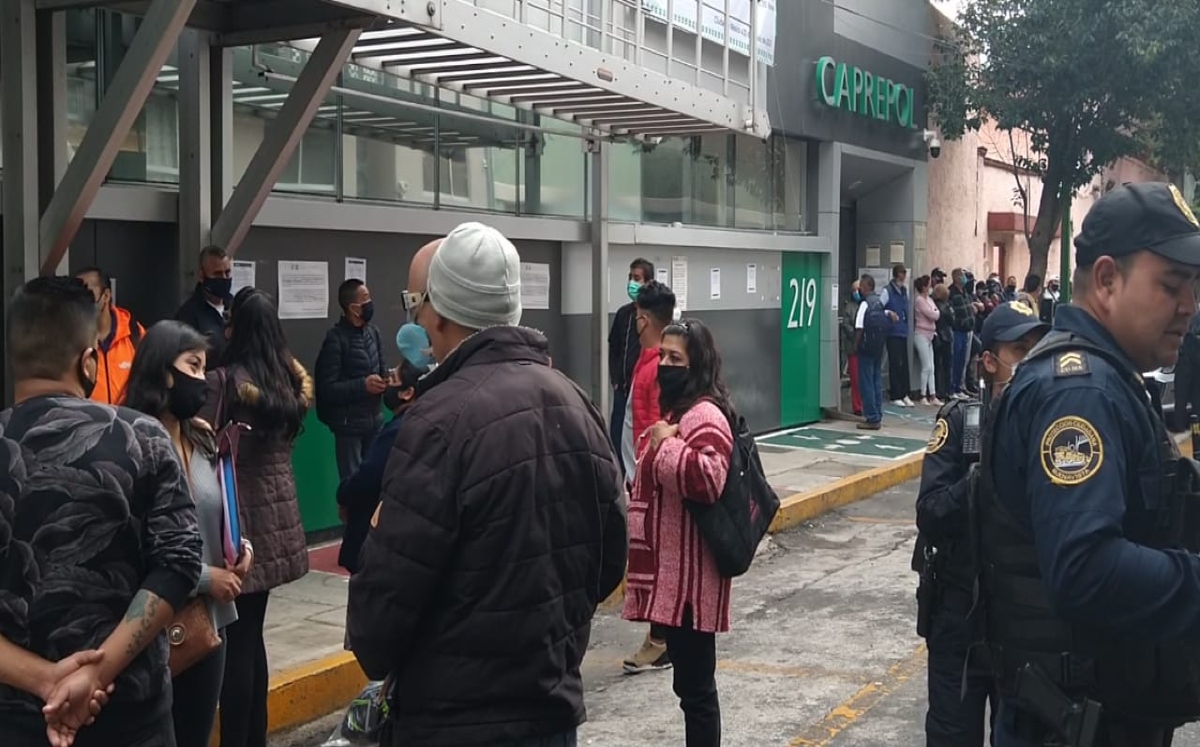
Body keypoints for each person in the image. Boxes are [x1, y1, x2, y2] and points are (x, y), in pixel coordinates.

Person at [347, 223, 628, 747]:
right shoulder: (574, 401)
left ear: (437, 312)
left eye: (418, 305)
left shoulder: (436, 421)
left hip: (453, 721)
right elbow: (611, 553)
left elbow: (382, 612)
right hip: (550, 712)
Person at [979, 182, 1200, 746]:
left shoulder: (1110, 378)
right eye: (1172, 285)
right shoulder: (1080, 392)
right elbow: (1086, 568)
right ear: (1106, 280)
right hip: (1073, 723)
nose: (1189, 307)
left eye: (1194, 287)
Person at [0, 276, 203, 747]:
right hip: (132, 716)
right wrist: (96, 672)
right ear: (88, 361)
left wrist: (47, 682)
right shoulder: (143, 438)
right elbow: (179, 564)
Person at [916, 302, 1048, 747]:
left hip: (1023, 626)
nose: (1029, 362)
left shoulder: (1048, 427)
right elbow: (930, 512)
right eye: (1019, 351)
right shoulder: (960, 421)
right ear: (989, 362)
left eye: (1037, 350)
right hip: (960, 620)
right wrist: (979, 479)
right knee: (952, 735)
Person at [121, 321, 254, 747]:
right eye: (193, 366)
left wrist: (241, 548)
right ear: (163, 372)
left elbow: (218, 511)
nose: (202, 379)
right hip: (153, 627)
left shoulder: (202, 438)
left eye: (204, 367)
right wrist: (205, 577)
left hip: (210, 622)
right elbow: (135, 544)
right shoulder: (130, 448)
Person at [201, 288, 311, 747]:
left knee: (236, 643)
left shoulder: (225, 381)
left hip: (238, 522)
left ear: (236, 328)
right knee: (253, 637)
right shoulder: (287, 381)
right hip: (277, 519)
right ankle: (254, 739)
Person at [623, 318, 734, 747]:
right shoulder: (679, 412)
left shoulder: (704, 415)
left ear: (697, 364)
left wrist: (665, 445)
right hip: (677, 577)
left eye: (676, 358)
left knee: (697, 692)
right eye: (663, 356)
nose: (666, 365)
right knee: (689, 687)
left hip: (691, 582)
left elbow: (709, 479)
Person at [623, 279, 678, 674]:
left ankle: (660, 641)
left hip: (651, 477)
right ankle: (663, 637)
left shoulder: (658, 366)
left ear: (642, 319)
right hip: (642, 474)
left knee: (656, 560)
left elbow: (659, 423)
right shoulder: (650, 361)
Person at [336, 357, 426, 574]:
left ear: (407, 393)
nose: (386, 383)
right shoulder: (427, 422)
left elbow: (368, 478)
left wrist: (343, 494)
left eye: (393, 379)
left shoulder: (396, 431)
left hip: (381, 538)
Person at [315, 279, 390, 482]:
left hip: (375, 422)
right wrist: (363, 386)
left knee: (376, 482)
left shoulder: (373, 333)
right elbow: (327, 388)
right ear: (354, 308)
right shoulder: (336, 339)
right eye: (366, 299)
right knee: (353, 484)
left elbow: (383, 368)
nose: (370, 303)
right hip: (349, 428)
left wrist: (387, 381)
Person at [609, 258, 655, 473]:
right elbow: (614, 348)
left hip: (642, 390)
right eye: (630, 277)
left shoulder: (653, 316)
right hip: (622, 389)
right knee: (616, 436)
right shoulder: (623, 314)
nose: (631, 283)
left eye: (637, 278)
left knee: (638, 439)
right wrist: (615, 380)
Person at [75, 267, 146, 405]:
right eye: (78, 297)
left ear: (106, 296)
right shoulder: (73, 337)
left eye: (88, 294)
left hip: (128, 417)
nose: (82, 302)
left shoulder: (134, 333)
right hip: (90, 417)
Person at [175, 246, 233, 362]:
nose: (224, 278)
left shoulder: (237, 306)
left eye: (227, 273)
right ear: (202, 275)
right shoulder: (188, 314)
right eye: (217, 274)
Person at [854, 274, 895, 431]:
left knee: (866, 383)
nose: (859, 289)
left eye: (861, 286)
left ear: (866, 287)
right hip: (878, 347)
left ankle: (871, 418)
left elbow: (859, 327)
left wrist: (855, 346)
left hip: (866, 348)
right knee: (877, 381)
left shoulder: (865, 304)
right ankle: (878, 413)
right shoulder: (879, 302)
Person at [878, 264, 913, 407]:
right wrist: (888, 313)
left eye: (904, 273)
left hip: (902, 330)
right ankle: (895, 394)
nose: (903, 276)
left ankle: (904, 393)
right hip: (892, 331)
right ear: (896, 275)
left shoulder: (904, 291)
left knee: (904, 363)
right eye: (901, 273)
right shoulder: (887, 291)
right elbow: (879, 307)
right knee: (895, 363)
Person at [913, 275, 941, 406]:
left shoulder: (929, 299)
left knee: (932, 367)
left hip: (931, 335)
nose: (930, 287)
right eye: (928, 284)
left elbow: (936, 313)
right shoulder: (919, 300)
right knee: (926, 367)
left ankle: (933, 395)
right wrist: (934, 312)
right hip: (921, 335)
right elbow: (932, 314)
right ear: (924, 287)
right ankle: (923, 395)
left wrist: (934, 312)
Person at [841, 281, 864, 416]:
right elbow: (846, 325)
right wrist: (856, 335)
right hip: (853, 347)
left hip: (865, 348)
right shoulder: (849, 307)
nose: (857, 292)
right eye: (855, 290)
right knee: (855, 379)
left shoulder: (866, 305)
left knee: (865, 378)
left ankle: (865, 404)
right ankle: (857, 407)